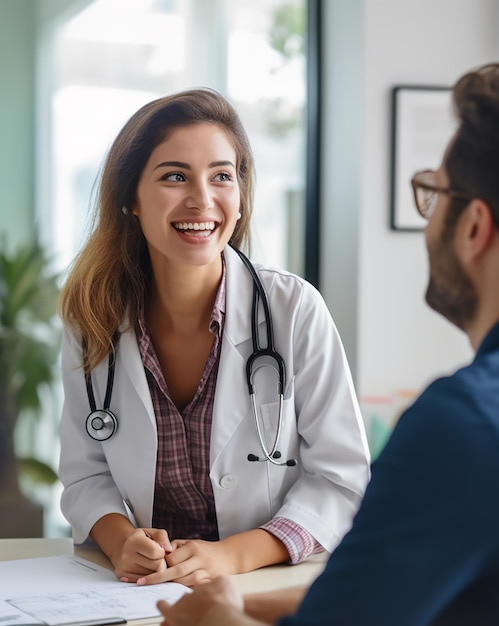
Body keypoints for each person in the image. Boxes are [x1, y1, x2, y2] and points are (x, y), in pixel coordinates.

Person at [156, 61, 499, 625]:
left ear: (474, 228)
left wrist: (210, 620)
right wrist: (237, 602)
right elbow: (376, 598)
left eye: (434, 194)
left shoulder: (469, 423)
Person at [57, 88, 371, 587]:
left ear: (241, 197)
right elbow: (85, 474)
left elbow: (342, 480)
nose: (202, 199)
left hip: (270, 585)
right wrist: (121, 542)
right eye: (174, 176)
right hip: (144, 591)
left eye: (222, 176)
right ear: (129, 200)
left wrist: (233, 556)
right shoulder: (93, 317)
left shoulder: (294, 310)